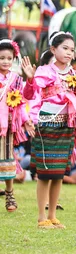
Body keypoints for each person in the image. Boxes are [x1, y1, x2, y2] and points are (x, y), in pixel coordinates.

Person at [22, 31, 76, 229]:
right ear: (53, 49)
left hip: (66, 127)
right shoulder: (44, 72)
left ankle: (52, 216)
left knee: (59, 172)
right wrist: (31, 79)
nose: (69, 53)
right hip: (47, 126)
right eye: (65, 48)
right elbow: (30, 94)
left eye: (72, 50)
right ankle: (42, 217)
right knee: (44, 172)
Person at [0, 39, 34, 212]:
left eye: (9, 58)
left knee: (7, 159)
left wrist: (26, 120)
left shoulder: (16, 80)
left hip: (7, 127)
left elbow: (20, 104)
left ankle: (9, 194)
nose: (6, 61)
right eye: (2, 58)